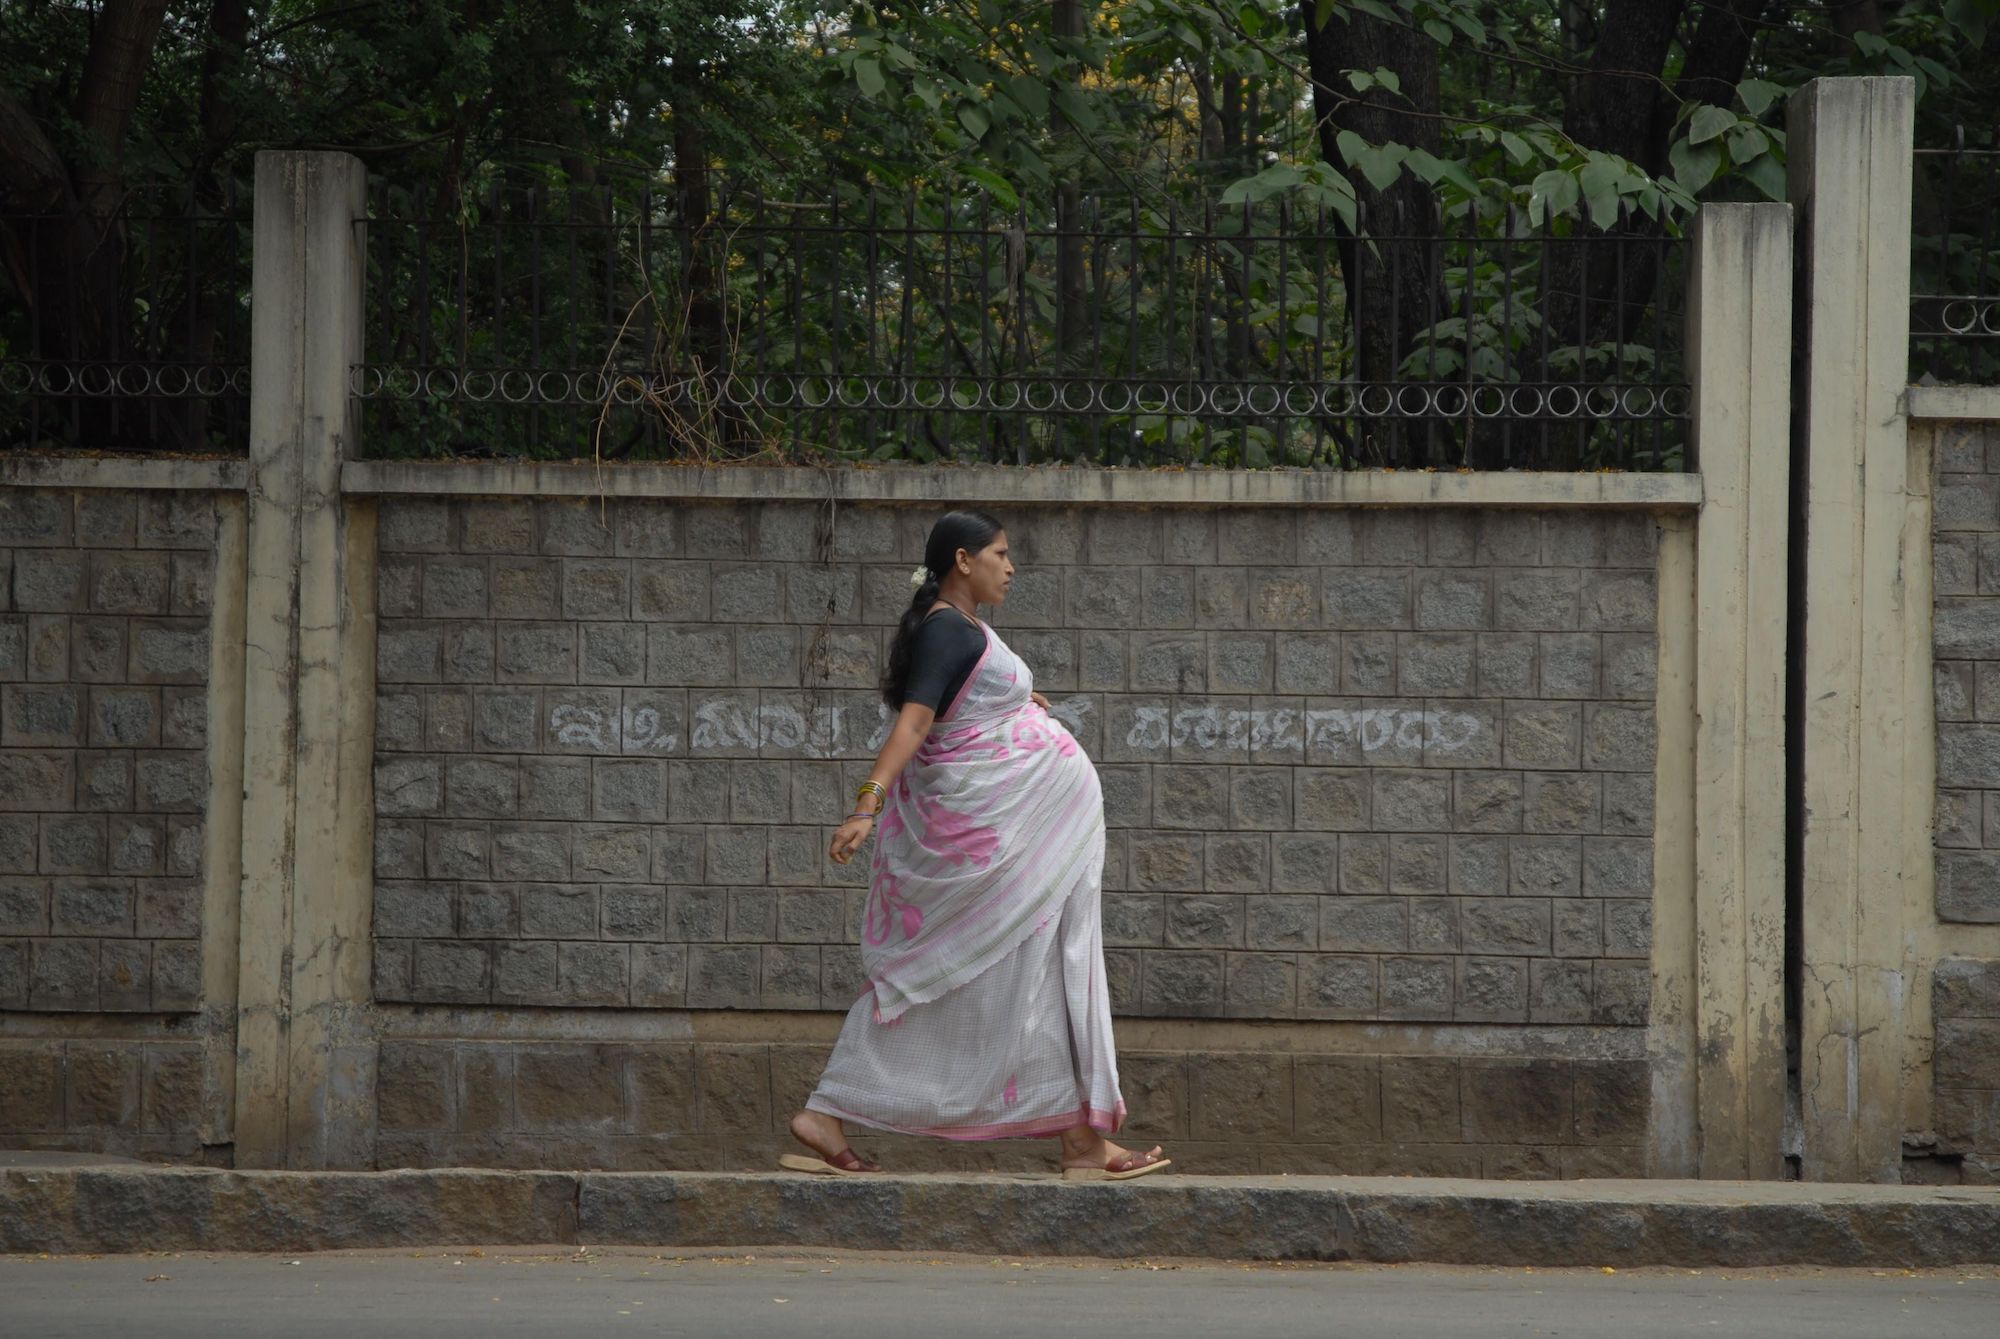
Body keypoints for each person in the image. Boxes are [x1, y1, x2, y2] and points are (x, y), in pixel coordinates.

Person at [781, 509, 1171, 1182]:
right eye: (1000, 552)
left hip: (1036, 842)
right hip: (1003, 850)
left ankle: (1083, 1142)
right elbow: (916, 723)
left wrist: (1020, 703)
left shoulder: (963, 632)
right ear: (963, 560)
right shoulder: (946, 631)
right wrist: (865, 806)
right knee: (950, 975)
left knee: (1048, 975)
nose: (1010, 565)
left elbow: (967, 704)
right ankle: (829, 1109)